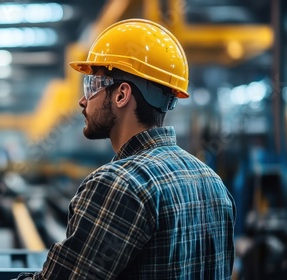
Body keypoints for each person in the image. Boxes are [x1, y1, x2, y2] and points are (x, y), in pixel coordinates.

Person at [16, 18, 236, 279]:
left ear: (122, 95)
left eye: (92, 85)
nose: (82, 100)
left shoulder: (119, 184)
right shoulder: (214, 184)